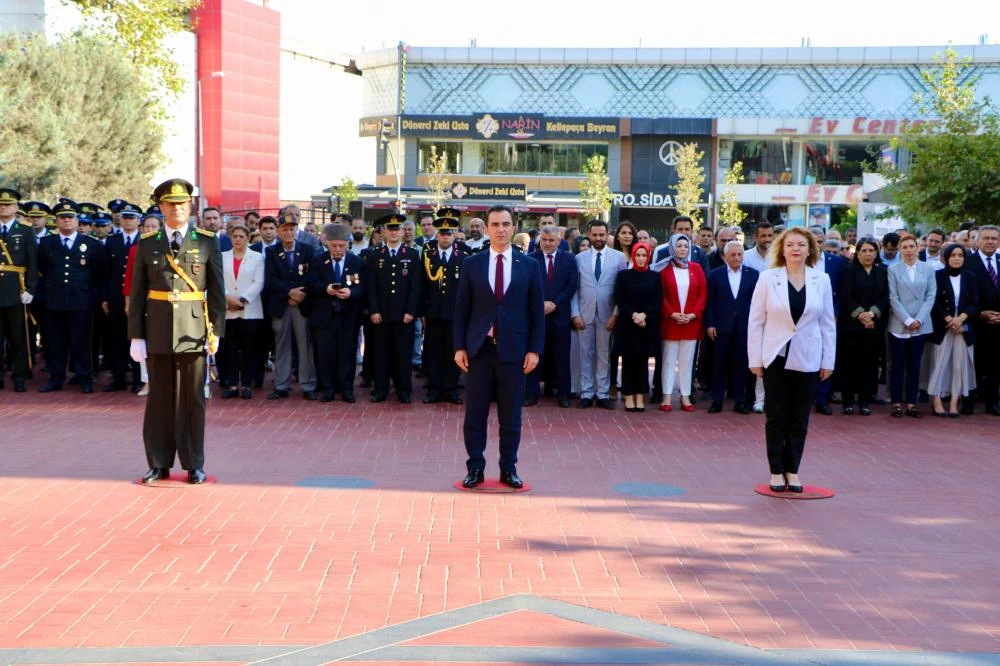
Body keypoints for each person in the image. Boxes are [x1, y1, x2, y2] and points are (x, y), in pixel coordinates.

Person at [128, 179, 226, 484]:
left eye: (182, 203)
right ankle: (158, 462)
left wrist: (217, 333)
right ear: (161, 207)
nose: (177, 208)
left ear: (191, 206)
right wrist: (136, 336)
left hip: (194, 330)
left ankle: (194, 463)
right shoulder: (147, 243)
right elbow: (138, 292)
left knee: (192, 400)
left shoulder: (207, 241)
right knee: (158, 400)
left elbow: (218, 293)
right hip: (157, 328)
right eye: (170, 204)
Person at [453, 204, 544, 489]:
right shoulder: (472, 264)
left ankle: (509, 468)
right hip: (479, 351)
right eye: (495, 224)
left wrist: (534, 350)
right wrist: (459, 347)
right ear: (487, 228)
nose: (501, 229)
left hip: (514, 352)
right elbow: (462, 310)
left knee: (510, 415)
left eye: (506, 224)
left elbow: (535, 313)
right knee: (475, 415)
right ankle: (475, 468)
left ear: (513, 228)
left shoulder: (529, 266)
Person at [748, 227, 836, 493]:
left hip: (808, 357)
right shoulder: (767, 278)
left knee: (799, 417)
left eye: (801, 244)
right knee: (776, 415)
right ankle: (776, 470)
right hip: (775, 355)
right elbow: (755, 321)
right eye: (790, 245)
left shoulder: (821, 279)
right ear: (782, 250)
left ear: (810, 249)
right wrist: (755, 358)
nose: (796, 249)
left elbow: (828, 323)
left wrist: (828, 360)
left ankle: (792, 470)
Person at [37, 201, 106, 394]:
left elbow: (98, 273)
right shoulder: (46, 243)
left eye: (70, 217)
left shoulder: (91, 244)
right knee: (55, 343)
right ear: (56, 221)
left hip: (81, 301)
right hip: (54, 300)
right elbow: (43, 268)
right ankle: (55, 378)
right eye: (62, 217)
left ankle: (85, 377)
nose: (66, 220)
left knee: (81, 342)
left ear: (77, 221)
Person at [571, 220, 627, 410]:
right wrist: (575, 313)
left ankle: (602, 393)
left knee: (604, 355)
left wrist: (616, 314)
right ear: (588, 234)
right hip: (584, 314)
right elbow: (574, 289)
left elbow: (622, 290)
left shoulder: (618, 258)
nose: (598, 239)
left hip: (608, 314)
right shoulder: (579, 258)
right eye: (594, 235)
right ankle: (586, 393)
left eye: (601, 235)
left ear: (607, 234)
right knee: (585, 355)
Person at [366, 213, 421, 403]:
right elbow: (371, 286)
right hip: (381, 315)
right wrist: (373, 310)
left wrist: (411, 312)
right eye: (391, 229)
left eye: (397, 228)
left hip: (403, 315)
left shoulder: (412, 255)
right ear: (384, 231)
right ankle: (380, 389)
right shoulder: (375, 255)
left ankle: (403, 390)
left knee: (402, 355)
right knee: (381, 354)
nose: (394, 232)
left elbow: (415, 288)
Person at [308, 223, 366, 403]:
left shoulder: (356, 262)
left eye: (342, 246)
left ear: (348, 244)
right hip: (324, 316)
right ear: (328, 244)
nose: (338, 250)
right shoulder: (318, 261)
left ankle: (347, 388)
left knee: (347, 353)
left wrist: (351, 293)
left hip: (348, 315)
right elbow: (310, 284)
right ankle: (328, 388)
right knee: (325, 354)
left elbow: (364, 287)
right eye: (334, 246)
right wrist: (325, 288)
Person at [264, 214, 318, 400]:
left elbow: (311, 276)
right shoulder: (272, 252)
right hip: (282, 304)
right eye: (285, 229)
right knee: (282, 345)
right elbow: (270, 279)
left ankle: (307, 384)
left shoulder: (308, 250)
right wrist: (289, 293)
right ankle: (281, 385)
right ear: (279, 231)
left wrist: (299, 294)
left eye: (292, 229)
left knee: (305, 345)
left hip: (302, 303)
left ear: (297, 230)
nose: (288, 232)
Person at [526, 224, 579, 408]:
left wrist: (554, 303)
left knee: (561, 357)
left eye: (551, 240)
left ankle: (563, 394)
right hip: (537, 316)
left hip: (560, 316)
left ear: (559, 241)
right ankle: (531, 393)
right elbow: (527, 286)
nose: (547, 243)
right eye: (544, 240)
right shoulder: (531, 259)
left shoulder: (569, 259)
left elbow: (572, 285)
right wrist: (540, 304)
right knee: (534, 354)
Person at [420, 210, 468, 405]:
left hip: (455, 314)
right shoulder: (427, 256)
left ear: (454, 234)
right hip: (433, 313)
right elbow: (422, 287)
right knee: (432, 351)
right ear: (437, 234)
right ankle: (434, 389)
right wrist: (421, 312)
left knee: (452, 352)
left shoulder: (463, 257)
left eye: (449, 232)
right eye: (442, 232)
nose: (445, 236)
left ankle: (451, 388)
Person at [705, 240, 759, 414]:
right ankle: (717, 400)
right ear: (725, 256)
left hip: (745, 328)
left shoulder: (754, 275)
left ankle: (740, 401)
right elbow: (710, 302)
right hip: (722, 327)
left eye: (740, 254)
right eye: (733, 254)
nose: (737, 257)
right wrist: (710, 324)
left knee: (741, 365)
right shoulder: (715, 275)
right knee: (719, 364)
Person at [887, 233, 936, 418]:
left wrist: (918, 320)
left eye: (911, 246)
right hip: (899, 323)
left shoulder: (928, 269)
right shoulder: (893, 270)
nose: (908, 250)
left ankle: (912, 404)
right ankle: (896, 403)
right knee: (898, 365)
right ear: (900, 249)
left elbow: (930, 296)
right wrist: (907, 320)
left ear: (917, 248)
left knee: (915, 365)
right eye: (904, 247)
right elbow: (893, 297)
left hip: (921, 324)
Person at [838, 237, 889, 415]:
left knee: (870, 364)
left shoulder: (882, 271)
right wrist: (861, 314)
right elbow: (845, 297)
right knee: (850, 363)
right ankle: (848, 400)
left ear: (877, 253)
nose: (868, 254)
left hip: (874, 326)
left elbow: (884, 297)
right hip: (851, 326)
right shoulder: (848, 270)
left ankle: (865, 400)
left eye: (871, 251)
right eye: (864, 251)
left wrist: (872, 314)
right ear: (857, 252)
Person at [658, 233, 707, 412]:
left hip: (691, 322)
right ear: (672, 247)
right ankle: (666, 396)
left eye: (686, 246)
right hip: (671, 322)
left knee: (687, 362)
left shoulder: (696, 268)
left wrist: (694, 314)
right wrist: (671, 314)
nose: (682, 249)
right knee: (669, 361)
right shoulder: (664, 270)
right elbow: (660, 296)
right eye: (679, 245)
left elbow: (702, 293)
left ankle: (685, 396)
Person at [928, 243, 978, 417]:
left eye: (960, 255)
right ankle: (936, 400)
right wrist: (948, 319)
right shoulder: (937, 276)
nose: (957, 258)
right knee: (939, 364)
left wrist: (960, 319)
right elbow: (933, 301)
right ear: (946, 257)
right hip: (943, 326)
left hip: (963, 327)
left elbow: (974, 302)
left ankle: (955, 402)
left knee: (959, 365)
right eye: (953, 255)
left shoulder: (970, 276)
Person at [613, 243, 661, 412]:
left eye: (644, 255)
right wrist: (634, 315)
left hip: (646, 325)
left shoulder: (655, 277)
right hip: (628, 324)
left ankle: (640, 395)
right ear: (633, 256)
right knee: (628, 361)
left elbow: (657, 301)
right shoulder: (623, 275)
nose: (641, 258)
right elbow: (619, 298)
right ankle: (627, 395)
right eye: (638, 255)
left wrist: (644, 316)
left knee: (643, 362)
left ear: (648, 256)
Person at [102, 202, 144, 392]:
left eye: (131, 217)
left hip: (137, 299)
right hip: (116, 298)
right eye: (124, 217)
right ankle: (118, 378)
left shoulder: (145, 241)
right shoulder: (112, 241)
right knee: (116, 339)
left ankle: (138, 379)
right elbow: (105, 272)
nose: (127, 221)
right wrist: (105, 298)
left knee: (136, 338)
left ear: (138, 220)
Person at [219, 223, 264, 399]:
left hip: (249, 309)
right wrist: (228, 298)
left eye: (241, 236)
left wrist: (243, 300)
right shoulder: (222, 256)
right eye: (235, 236)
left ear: (248, 238)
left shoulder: (257, 257)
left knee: (248, 348)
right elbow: (218, 280)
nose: (238, 239)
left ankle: (246, 384)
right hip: (228, 308)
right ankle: (231, 384)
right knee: (230, 348)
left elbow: (258, 282)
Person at [0, 188, 38, 393]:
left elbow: (32, 261)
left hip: (17, 288)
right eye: (1, 204)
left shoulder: (25, 229)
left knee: (18, 337)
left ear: (16, 208)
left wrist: (31, 288)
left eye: (8, 204)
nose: (3, 207)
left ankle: (20, 376)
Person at [964, 225, 1000, 415]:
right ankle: (968, 401)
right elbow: (964, 294)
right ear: (977, 241)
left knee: (995, 365)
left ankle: (992, 402)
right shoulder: (967, 262)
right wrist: (980, 313)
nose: (990, 242)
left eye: (994, 238)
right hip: (975, 322)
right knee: (972, 363)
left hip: (998, 324)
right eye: (986, 238)